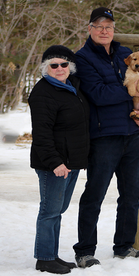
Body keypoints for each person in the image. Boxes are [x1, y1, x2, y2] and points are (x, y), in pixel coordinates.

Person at [72, 7, 139, 268]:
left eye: (108, 26)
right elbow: (99, 94)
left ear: (113, 30)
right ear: (89, 29)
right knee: (94, 195)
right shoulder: (83, 58)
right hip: (103, 136)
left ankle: (124, 247)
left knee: (132, 194)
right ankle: (85, 251)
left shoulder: (126, 55)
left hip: (131, 134)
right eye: (98, 26)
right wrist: (132, 91)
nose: (104, 31)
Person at [29, 45, 90, 274]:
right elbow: (42, 133)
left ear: (70, 66)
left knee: (58, 209)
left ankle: (51, 254)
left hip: (71, 162)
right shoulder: (43, 93)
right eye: (53, 65)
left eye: (64, 64)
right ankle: (44, 258)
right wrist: (55, 162)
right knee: (49, 211)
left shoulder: (71, 87)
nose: (59, 68)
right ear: (46, 68)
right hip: (54, 164)